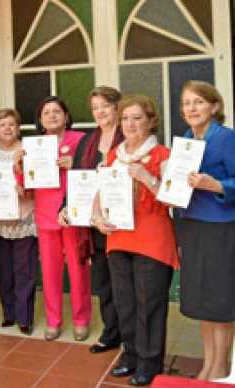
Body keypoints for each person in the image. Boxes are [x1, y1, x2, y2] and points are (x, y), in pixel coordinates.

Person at [93, 94, 178, 386]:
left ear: (151, 121)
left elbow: (173, 199)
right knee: (125, 303)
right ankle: (130, 356)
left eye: (137, 118)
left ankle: (149, 362)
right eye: (126, 118)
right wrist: (96, 217)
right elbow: (100, 191)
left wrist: (147, 177)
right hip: (118, 237)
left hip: (152, 239)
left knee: (149, 304)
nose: (130, 124)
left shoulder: (163, 155)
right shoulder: (115, 154)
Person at [173, 81, 235, 381]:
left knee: (220, 298)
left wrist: (217, 185)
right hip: (192, 225)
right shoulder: (185, 140)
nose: (191, 108)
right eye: (186, 103)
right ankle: (208, 362)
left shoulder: (226, 138)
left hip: (220, 228)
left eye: (198, 102)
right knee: (202, 299)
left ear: (214, 106)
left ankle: (221, 365)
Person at [16, 96, 90, 341]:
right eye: (46, 112)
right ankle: (54, 320)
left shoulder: (81, 141)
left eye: (57, 111)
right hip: (46, 215)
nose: (52, 115)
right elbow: (24, 185)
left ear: (66, 116)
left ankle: (81, 320)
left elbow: (96, 171)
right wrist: (19, 165)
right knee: (49, 272)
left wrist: (77, 163)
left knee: (79, 271)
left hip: (74, 213)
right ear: (40, 120)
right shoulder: (34, 145)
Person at [59, 86, 124, 353]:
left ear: (117, 107)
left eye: (105, 106)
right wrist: (66, 207)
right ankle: (111, 333)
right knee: (104, 282)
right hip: (93, 224)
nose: (100, 112)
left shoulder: (128, 136)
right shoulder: (87, 141)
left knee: (125, 283)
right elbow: (77, 180)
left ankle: (129, 336)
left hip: (122, 222)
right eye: (95, 107)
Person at [0, 108, 38, 336]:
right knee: (5, 271)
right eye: (2, 125)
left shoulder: (29, 152)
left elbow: (40, 182)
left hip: (24, 217)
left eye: (11, 124)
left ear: (18, 127)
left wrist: (25, 187)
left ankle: (25, 317)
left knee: (24, 271)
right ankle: (9, 313)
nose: (7, 129)